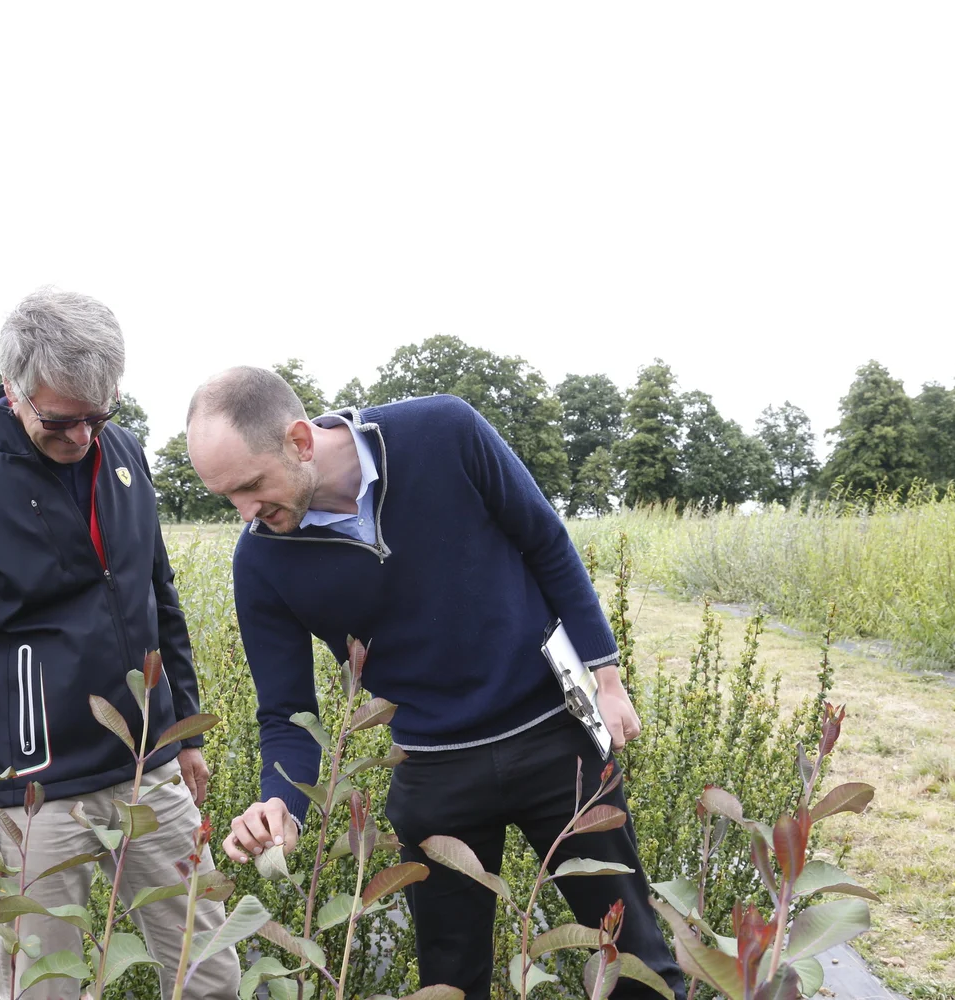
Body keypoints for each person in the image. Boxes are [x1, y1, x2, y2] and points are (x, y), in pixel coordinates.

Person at [184, 366, 685, 1000]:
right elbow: (286, 712)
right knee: (449, 985)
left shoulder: (443, 431)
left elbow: (547, 544)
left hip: (556, 741)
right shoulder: (261, 559)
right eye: (226, 497)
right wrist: (282, 803)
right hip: (431, 771)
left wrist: (606, 679)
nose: (245, 512)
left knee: (634, 961)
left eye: (252, 486)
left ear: (300, 441)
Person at [0, 289, 238, 1000]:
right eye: (60, 421)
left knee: (210, 974)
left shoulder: (125, 453)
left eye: (98, 416)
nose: (82, 437)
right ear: (13, 388)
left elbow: (157, 595)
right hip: (33, 799)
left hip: (148, 770)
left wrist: (185, 731)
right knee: (44, 990)